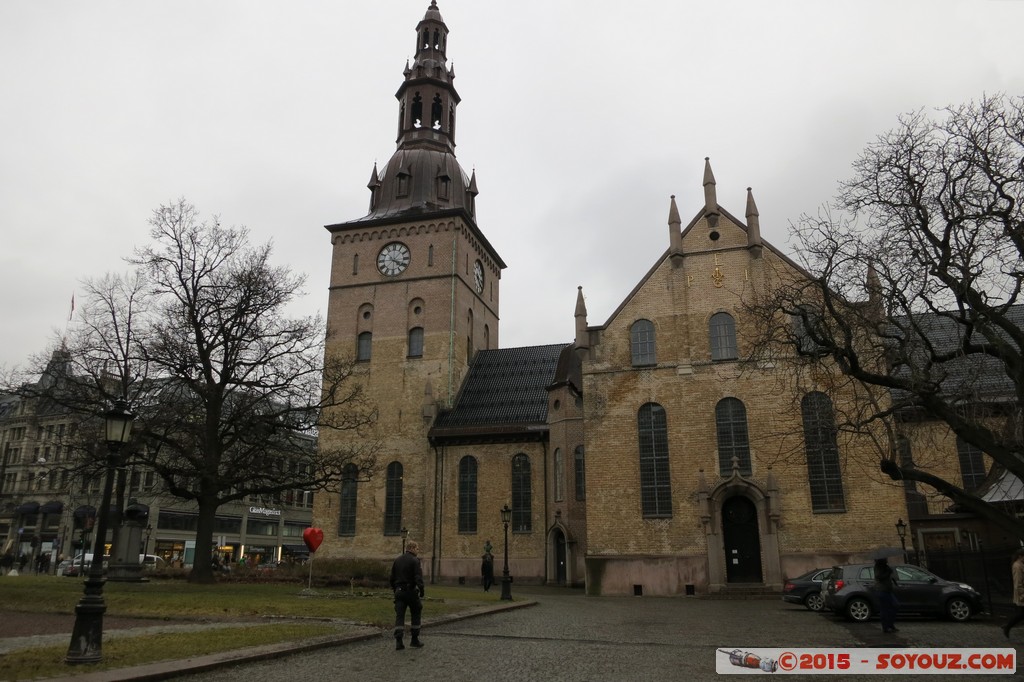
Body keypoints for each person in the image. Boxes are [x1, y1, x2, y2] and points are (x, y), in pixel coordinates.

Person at [390, 539, 425, 650]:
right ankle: (414, 639)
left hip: (399, 591)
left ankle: (399, 641)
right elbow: (418, 577)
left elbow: (392, 578)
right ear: (412, 548)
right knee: (416, 611)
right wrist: (421, 590)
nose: (418, 551)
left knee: (400, 615)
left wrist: (395, 590)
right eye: (417, 548)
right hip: (410, 591)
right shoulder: (415, 561)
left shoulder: (397, 560)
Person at [1002, 549, 1024, 638]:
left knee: (1022, 614)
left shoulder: (1021, 565)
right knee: (1021, 614)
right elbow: (1018, 583)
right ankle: (1007, 626)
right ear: (1020, 556)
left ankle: (1007, 626)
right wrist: (1022, 595)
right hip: (1022, 594)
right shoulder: (1017, 566)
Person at [874, 557, 899, 633]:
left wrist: (894, 581)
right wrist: (888, 572)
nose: (887, 559)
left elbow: (889, 576)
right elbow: (879, 577)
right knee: (885, 609)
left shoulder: (886, 566)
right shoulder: (878, 567)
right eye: (885, 558)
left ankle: (890, 624)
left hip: (888, 590)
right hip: (882, 590)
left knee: (895, 605)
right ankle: (886, 627)